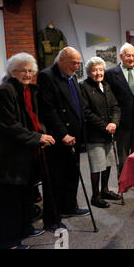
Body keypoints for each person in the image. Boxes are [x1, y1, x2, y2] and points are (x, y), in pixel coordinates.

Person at [0, 53, 55, 248]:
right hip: (8, 159)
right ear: (12, 72)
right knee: (10, 204)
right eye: (21, 70)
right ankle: (8, 243)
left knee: (25, 197)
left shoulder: (28, 90)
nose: (27, 74)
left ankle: (25, 228)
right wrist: (37, 137)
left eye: (30, 70)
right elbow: (9, 126)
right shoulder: (6, 91)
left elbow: (33, 119)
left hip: (25, 155)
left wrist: (40, 133)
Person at [38, 47, 89, 232]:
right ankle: (51, 219)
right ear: (61, 59)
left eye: (78, 63)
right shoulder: (47, 76)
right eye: (73, 63)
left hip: (74, 137)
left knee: (72, 174)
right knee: (56, 179)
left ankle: (69, 206)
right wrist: (62, 134)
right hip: (59, 139)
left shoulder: (72, 76)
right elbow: (48, 110)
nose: (76, 67)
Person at [80, 57, 122, 208]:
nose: (98, 73)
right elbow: (86, 112)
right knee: (97, 166)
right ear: (88, 72)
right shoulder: (83, 87)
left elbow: (116, 107)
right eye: (94, 70)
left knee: (108, 163)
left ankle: (105, 190)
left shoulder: (106, 85)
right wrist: (105, 125)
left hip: (108, 133)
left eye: (100, 69)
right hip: (94, 134)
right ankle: (95, 196)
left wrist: (114, 123)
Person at [104, 43, 134, 178]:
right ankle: (124, 179)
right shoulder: (111, 74)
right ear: (121, 56)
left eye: (133, 55)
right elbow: (109, 99)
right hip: (122, 121)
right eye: (128, 55)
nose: (131, 58)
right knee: (123, 155)